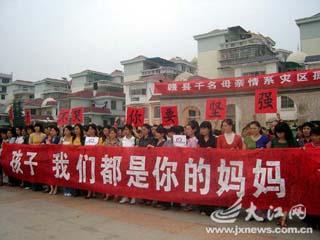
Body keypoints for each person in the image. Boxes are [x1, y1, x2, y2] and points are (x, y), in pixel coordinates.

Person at [271, 121, 297, 227]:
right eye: (277, 132)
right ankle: (280, 214)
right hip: (276, 171)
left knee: (287, 195)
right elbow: (269, 154)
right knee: (278, 195)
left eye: (281, 132)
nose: (279, 134)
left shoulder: (292, 142)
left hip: (288, 171)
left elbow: (297, 156)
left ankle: (284, 218)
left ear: (286, 132)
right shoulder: (273, 141)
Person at [119, 124, 136, 204]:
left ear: (130, 130)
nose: (125, 131)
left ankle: (133, 196)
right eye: (124, 129)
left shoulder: (135, 139)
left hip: (132, 161)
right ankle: (125, 196)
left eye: (127, 129)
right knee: (124, 179)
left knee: (132, 179)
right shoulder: (122, 140)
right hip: (124, 161)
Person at [29, 123, 46, 191]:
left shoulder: (43, 135)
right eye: (35, 126)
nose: (36, 128)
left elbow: (44, 144)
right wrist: (35, 146)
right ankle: (34, 185)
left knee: (40, 170)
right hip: (33, 155)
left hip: (41, 154)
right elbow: (29, 144)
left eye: (38, 126)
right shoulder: (31, 135)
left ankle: (40, 185)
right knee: (33, 170)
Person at [85, 124, 99, 199]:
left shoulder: (98, 139)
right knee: (88, 175)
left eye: (91, 129)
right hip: (87, 158)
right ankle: (89, 191)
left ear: (94, 130)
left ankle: (93, 191)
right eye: (89, 129)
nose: (90, 130)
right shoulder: (86, 139)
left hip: (95, 159)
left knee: (93, 176)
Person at [60, 125, 74, 197]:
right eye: (64, 130)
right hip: (63, 158)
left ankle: (70, 190)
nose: (65, 132)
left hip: (70, 158)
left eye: (67, 130)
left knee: (70, 174)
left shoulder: (72, 138)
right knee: (64, 174)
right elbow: (59, 147)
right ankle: (65, 189)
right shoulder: (62, 138)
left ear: (70, 131)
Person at [47, 126, 61, 195]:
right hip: (50, 157)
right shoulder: (49, 138)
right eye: (51, 131)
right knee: (50, 173)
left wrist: (49, 143)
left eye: (53, 131)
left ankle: (56, 188)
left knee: (56, 173)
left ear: (57, 132)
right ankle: (51, 187)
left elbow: (57, 146)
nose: (51, 132)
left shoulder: (58, 138)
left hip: (56, 157)